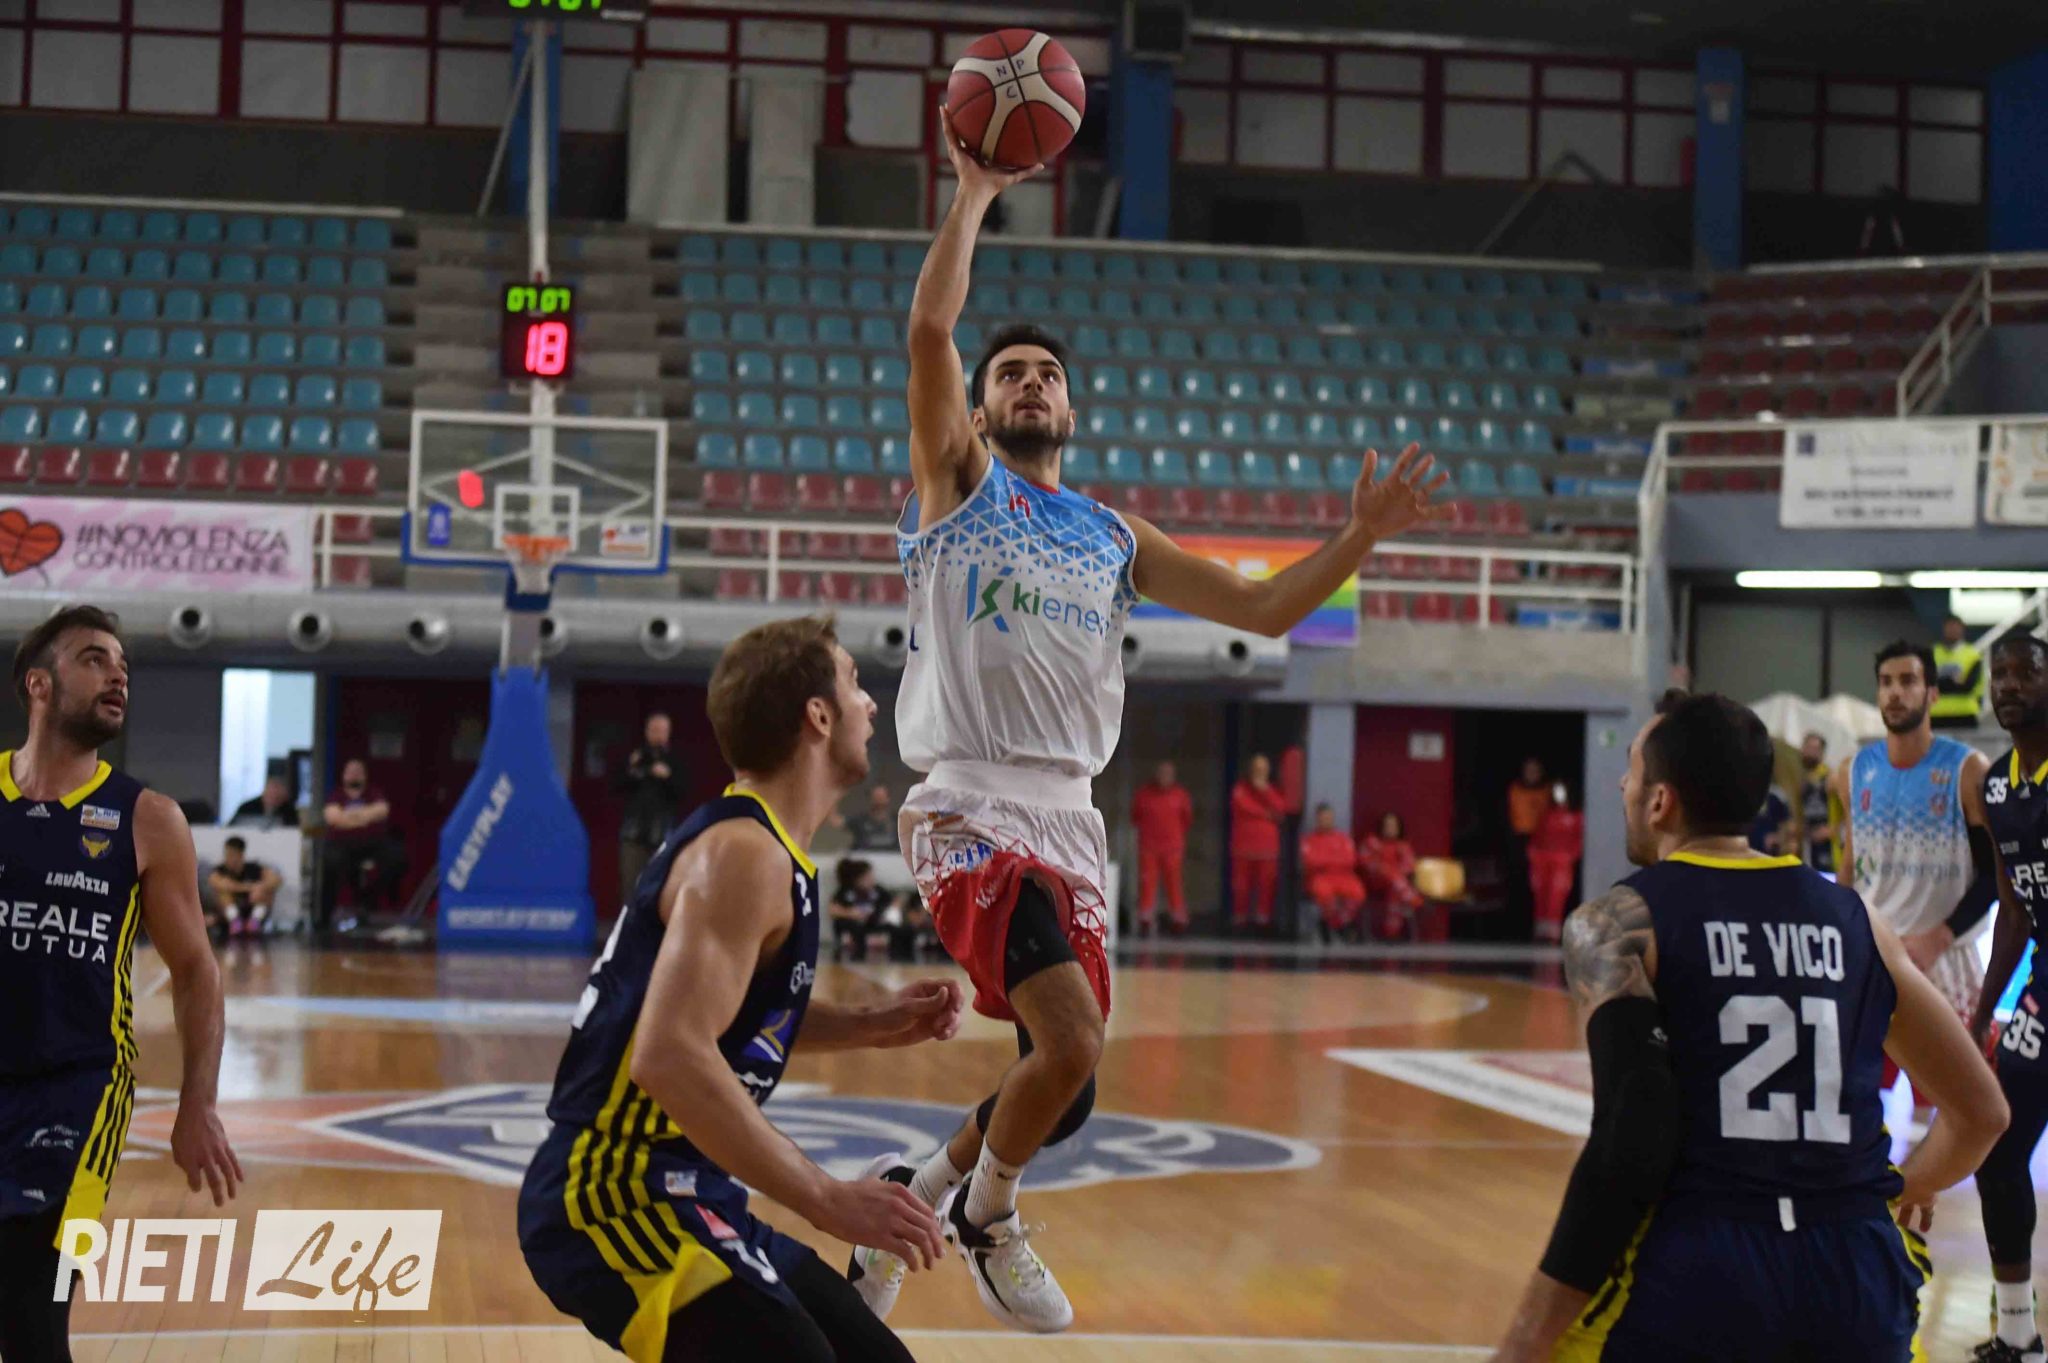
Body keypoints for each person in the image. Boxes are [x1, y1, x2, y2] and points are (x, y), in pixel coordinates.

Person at [847, 109, 1448, 1336]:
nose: (1028, 381)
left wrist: (1358, 537)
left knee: (1061, 1081)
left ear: (1071, 411)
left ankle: (918, 1191)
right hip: (966, 799)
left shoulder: (1115, 537)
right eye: (1010, 372)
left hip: (1069, 817)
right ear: (981, 411)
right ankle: (988, 1216)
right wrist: (974, 192)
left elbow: (1265, 609)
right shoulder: (958, 484)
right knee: (1066, 1041)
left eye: (1046, 374)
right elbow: (927, 333)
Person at [1489, 690, 2008, 1363]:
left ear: (1660, 801)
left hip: (1705, 1266)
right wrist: (1911, 1185)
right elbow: (1982, 1113)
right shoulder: (1859, 920)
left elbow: (1631, 1134)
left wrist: (1526, 1335)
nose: (1622, 785)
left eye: (1633, 770)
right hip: (1854, 1267)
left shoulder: (1617, 921)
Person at [519, 616, 959, 1363]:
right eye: (853, 683)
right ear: (818, 716)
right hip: (616, 1190)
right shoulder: (744, 854)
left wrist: (869, 1023)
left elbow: (728, 1013)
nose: (870, 704)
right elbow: (669, 1054)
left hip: (695, 1189)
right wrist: (827, 1197)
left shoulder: (764, 846)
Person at [1, 605, 241, 1357]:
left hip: (81, 1095)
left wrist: (198, 1103)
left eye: (123, 666)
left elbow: (196, 971)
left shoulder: (148, 819)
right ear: (39, 684)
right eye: (94, 659)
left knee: (35, 1317)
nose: (117, 676)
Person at [1831, 641, 1996, 1028]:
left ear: (1932, 694)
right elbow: (1851, 866)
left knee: (1959, 1070)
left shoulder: (1968, 769)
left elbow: (1994, 875)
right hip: (1872, 953)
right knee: (1860, 1067)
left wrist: (1939, 938)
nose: (1895, 692)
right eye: (1886, 682)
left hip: (1944, 955)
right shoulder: (1852, 771)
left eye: (1908, 681)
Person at [1963, 633, 2048, 1363]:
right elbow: (2014, 911)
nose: (2009, 684)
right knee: (1999, 1141)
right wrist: (1983, 1010)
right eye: (2000, 673)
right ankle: (2019, 1334)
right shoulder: (1995, 785)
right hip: (2042, 987)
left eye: (2027, 672)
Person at [319, 757, 406, 930]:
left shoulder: (374, 793)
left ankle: (369, 899)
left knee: (397, 858)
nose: (354, 775)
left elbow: (382, 811)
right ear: (344, 775)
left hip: (372, 843)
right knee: (330, 863)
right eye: (350, 772)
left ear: (365, 776)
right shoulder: (336, 795)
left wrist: (348, 816)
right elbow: (333, 818)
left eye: (358, 772)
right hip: (341, 844)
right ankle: (325, 917)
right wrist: (365, 816)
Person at [615, 712, 685, 906]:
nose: (658, 735)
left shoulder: (675, 760)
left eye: (662, 731)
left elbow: (683, 791)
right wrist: (632, 768)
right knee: (631, 887)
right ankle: (629, 922)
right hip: (633, 834)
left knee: (661, 886)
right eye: (654, 730)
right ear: (646, 732)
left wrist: (667, 777)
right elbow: (616, 785)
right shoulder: (635, 757)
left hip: (662, 833)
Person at [1130, 761, 1193, 936]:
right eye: (1162, 773)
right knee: (1147, 883)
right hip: (1149, 847)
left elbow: (1187, 819)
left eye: (1168, 774)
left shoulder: (1180, 795)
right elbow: (1135, 817)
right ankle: (1145, 919)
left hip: (1172, 848)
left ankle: (1178, 920)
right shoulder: (1143, 794)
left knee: (1174, 884)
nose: (1164, 777)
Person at [1229, 754, 1290, 934]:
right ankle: (1240, 920)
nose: (1259, 772)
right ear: (1250, 770)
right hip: (1243, 848)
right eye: (1256, 768)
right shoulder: (1240, 788)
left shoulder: (1274, 790)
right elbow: (1243, 806)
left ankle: (1263, 921)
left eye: (1263, 769)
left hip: (1268, 848)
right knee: (1241, 886)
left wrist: (1265, 791)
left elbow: (1281, 810)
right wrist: (1266, 814)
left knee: (1266, 885)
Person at [1300, 803, 1366, 943]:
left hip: (1345, 876)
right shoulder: (1308, 840)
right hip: (1320, 877)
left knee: (1358, 893)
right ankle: (1342, 929)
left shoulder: (1344, 838)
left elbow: (1350, 860)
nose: (1326, 820)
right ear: (1317, 819)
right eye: (1323, 818)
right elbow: (1310, 862)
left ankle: (1332, 925)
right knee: (1324, 895)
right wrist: (1334, 860)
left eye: (1329, 817)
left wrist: (1326, 860)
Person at [1528, 784, 1585, 944]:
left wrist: (1571, 856)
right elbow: (1537, 836)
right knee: (1540, 895)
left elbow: (1579, 840)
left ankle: (1552, 933)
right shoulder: (1547, 815)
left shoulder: (1577, 817)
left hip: (1561, 862)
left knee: (1557, 895)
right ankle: (1540, 931)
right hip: (1542, 860)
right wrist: (1533, 851)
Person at [1360, 812, 1423, 941]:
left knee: (1396, 892)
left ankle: (1391, 933)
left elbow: (1409, 865)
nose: (1391, 828)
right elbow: (1365, 862)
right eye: (1388, 825)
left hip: (1396, 885)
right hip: (1375, 881)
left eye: (1394, 826)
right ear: (1382, 827)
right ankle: (1412, 899)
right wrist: (1387, 871)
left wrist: (1395, 874)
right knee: (1394, 878)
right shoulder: (1372, 842)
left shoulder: (1403, 846)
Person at [206, 834, 281, 939]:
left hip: (251, 909)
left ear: (241, 855)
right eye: (227, 854)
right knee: (223, 893)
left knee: (266, 892)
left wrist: (261, 888)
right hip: (229, 913)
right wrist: (250, 887)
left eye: (232, 855)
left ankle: (254, 922)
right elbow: (218, 883)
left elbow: (276, 879)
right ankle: (235, 922)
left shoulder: (253, 868)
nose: (228, 858)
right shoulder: (220, 869)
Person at [1507, 758, 1550, 926]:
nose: (1532, 774)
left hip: (1542, 841)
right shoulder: (1514, 790)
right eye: (1529, 770)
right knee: (1519, 881)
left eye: (1535, 771)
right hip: (1519, 840)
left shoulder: (1547, 791)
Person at [831, 857, 890, 963]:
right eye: (868, 876)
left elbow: (893, 902)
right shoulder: (846, 891)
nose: (872, 879)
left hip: (872, 927)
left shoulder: (878, 891)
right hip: (853, 927)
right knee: (847, 925)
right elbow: (833, 909)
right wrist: (850, 913)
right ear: (858, 879)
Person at [1934, 614, 1987, 731]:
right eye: (1950, 627)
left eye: (1956, 627)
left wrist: (1941, 682)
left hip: (1965, 715)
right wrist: (1954, 682)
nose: (1953, 630)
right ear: (1943, 629)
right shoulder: (1932, 654)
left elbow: (1968, 686)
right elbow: (1929, 684)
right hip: (1936, 715)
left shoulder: (1973, 655)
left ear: (1962, 629)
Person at [1797, 733, 1840, 874]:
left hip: (1829, 849)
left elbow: (1851, 809)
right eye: (1807, 747)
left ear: (1822, 753)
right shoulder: (1802, 781)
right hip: (1809, 845)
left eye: (1815, 749)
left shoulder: (1831, 777)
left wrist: (1834, 829)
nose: (1810, 752)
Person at [229, 773, 299, 829]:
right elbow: (230, 829)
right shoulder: (246, 807)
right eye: (271, 793)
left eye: (277, 796)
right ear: (264, 792)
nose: (273, 797)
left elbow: (294, 830)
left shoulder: (289, 810)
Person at [843, 785, 898, 853]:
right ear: (870, 799)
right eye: (876, 797)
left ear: (888, 799)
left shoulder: (898, 820)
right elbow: (837, 822)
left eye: (881, 797)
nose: (878, 801)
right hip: (864, 857)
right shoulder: (859, 820)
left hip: (893, 858)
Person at [1745, 782, 1792, 855]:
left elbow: (1786, 824)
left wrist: (1778, 838)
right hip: (1748, 850)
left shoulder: (1776, 795)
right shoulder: (1745, 794)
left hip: (1770, 853)